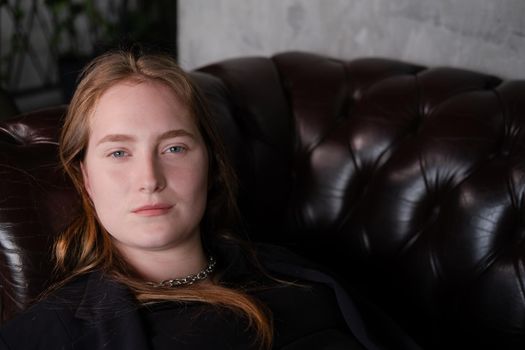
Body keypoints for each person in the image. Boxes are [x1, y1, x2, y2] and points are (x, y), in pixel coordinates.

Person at [0, 49, 419, 350]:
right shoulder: (53, 332)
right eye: (118, 152)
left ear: (211, 163)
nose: (149, 179)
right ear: (86, 177)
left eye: (174, 148)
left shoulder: (297, 274)